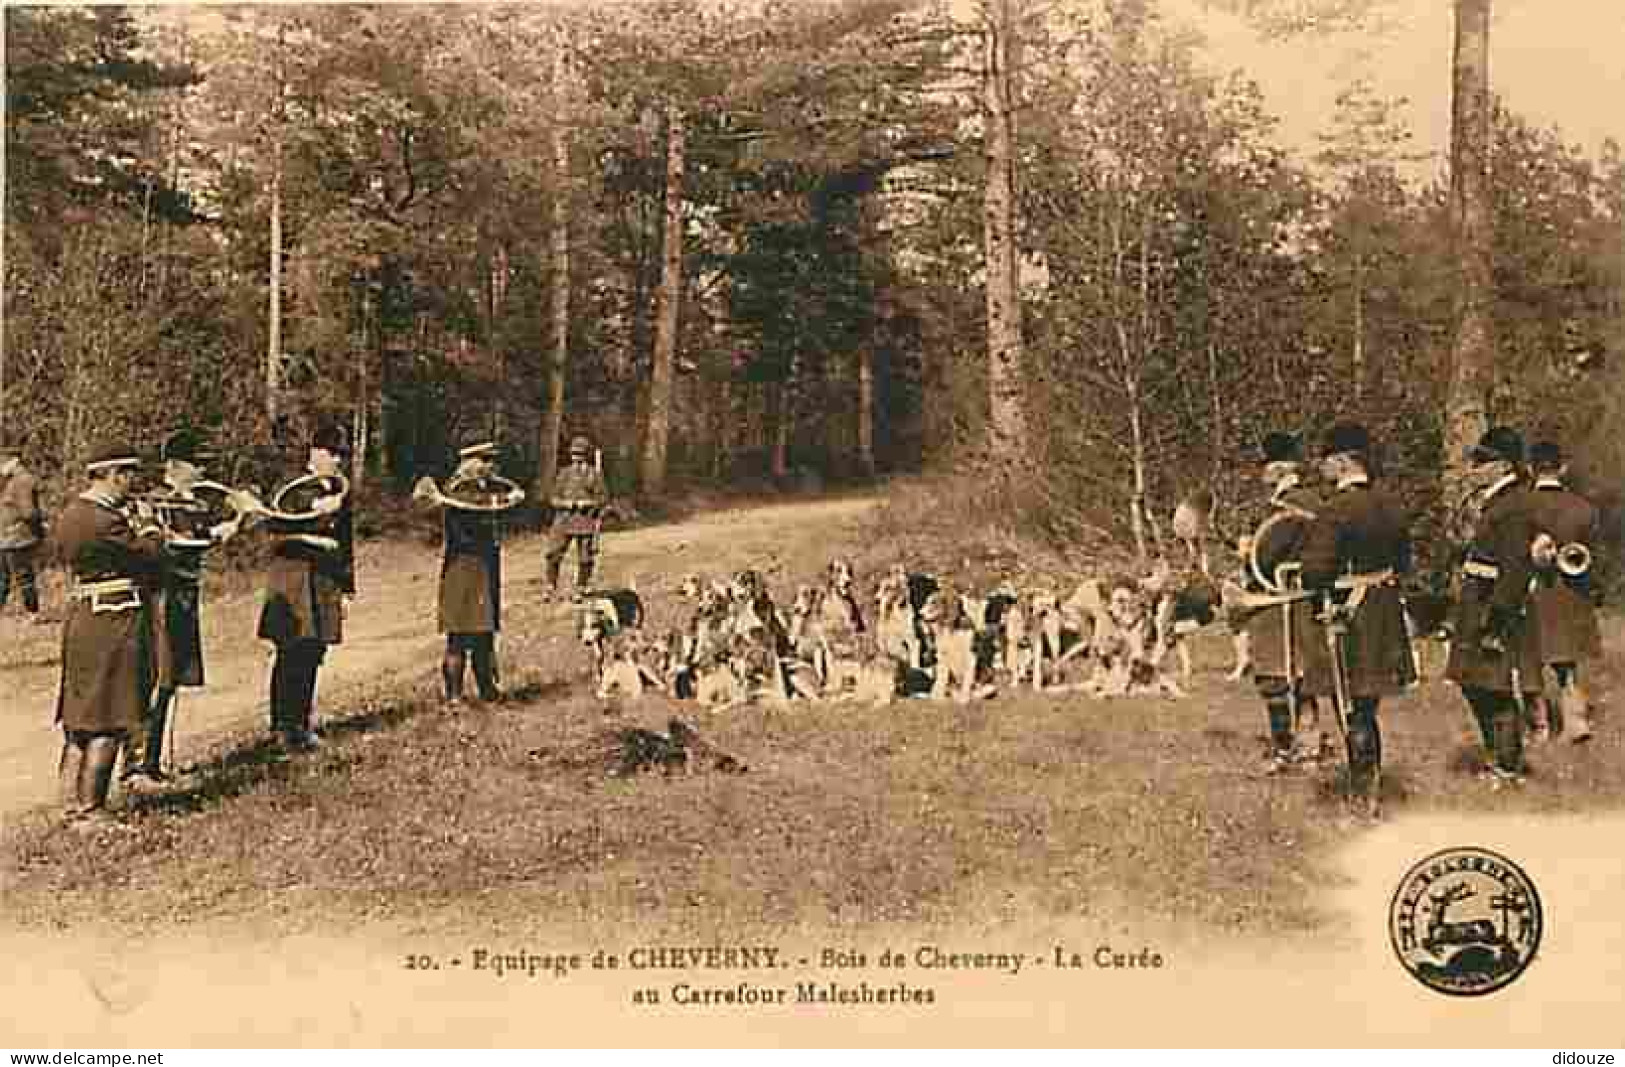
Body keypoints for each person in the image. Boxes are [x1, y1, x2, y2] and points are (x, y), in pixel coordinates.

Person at [1299, 423, 1416, 818]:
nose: (1322, 467)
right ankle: (1371, 787)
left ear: (1345, 461)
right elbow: (1403, 562)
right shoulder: (1391, 505)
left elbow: (1315, 572)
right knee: (1366, 706)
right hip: (1382, 610)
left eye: (1328, 460)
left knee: (1349, 706)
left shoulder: (1334, 509)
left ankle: (1362, 796)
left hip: (1349, 614)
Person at [52, 441, 166, 827]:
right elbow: (149, 557)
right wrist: (151, 526)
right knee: (111, 714)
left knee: (80, 715)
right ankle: (91, 810)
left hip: (84, 618)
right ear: (114, 474)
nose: (132, 483)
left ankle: (69, 803)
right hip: (113, 620)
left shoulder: (71, 514)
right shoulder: (105, 520)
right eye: (129, 475)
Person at [123, 430, 246, 784]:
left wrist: (238, 520)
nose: (202, 472)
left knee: (171, 680)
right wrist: (211, 535)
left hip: (184, 598)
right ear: (175, 465)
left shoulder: (191, 503)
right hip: (161, 598)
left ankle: (152, 763)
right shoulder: (157, 502)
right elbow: (170, 547)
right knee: (155, 678)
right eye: (196, 465)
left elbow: (203, 539)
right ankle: (133, 768)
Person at [1443, 426, 1545, 786]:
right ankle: (1500, 760)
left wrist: (1496, 623)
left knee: (1493, 686)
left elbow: (1515, 569)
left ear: (1503, 466)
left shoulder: (1514, 505)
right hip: (1478, 600)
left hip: (1491, 606)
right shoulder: (1499, 501)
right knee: (1474, 682)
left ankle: (1507, 767)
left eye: (1482, 462)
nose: (1474, 469)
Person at [256, 423, 353, 754]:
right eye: (332, 453)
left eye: (341, 455)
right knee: (291, 651)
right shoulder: (291, 487)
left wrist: (347, 584)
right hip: (292, 580)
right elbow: (273, 529)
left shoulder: (339, 491)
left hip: (323, 581)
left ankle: (302, 723)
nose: (337, 461)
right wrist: (311, 521)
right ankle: (281, 726)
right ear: (315, 453)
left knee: (314, 652)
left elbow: (345, 542)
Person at [1239, 431, 1331, 774]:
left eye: (1264, 466)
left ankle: (1288, 750)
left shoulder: (1288, 505)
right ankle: (1307, 745)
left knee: (1276, 677)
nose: (1260, 473)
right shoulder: (1316, 499)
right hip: (1301, 601)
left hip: (1280, 602)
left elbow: (1262, 558)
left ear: (1279, 468)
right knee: (1300, 677)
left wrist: (1247, 553)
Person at [429, 431, 522, 706]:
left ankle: (487, 690)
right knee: (458, 633)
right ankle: (454, 696)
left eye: (492, 460)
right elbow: (473, 518)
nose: (491, 466)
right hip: (463, 567)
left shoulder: (484, 487)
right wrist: (504, 502)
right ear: (470, 461)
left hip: (484, 566)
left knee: (484, 631)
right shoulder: (458, 489)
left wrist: (508, 501)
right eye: (485, 460)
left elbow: (493, 511)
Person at [1523, 440, 1599, 744]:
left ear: (1531, 469)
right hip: (1570, 592)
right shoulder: (1583, 508)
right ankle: (1576, 722)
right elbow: (1594, 557)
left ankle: (1539, 729)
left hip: (1532, 591)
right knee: (1567, 664)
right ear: (1562, 468)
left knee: (1530, 663)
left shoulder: (1522, 505)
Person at [544, 435, 609, 601]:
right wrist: (565, 504)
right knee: (553, 553)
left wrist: (587, 503)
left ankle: (581, 586)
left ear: (586, 455)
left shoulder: (594, 475)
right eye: (574, 454)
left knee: (585, 557)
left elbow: (603, 500)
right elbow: (553, 497)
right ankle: (550, 586)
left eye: (580, 454)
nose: (577, 458)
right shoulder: (564, 474)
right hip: (563, 519)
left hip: (585, 520)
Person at [0, 439, 46, 621]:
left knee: (23, 577)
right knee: (3, 578)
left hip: (19, 537)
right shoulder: (5, 480)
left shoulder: (24, 480)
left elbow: (29, 512)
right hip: (4, 537)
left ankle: (32, 613)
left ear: (14, 460)